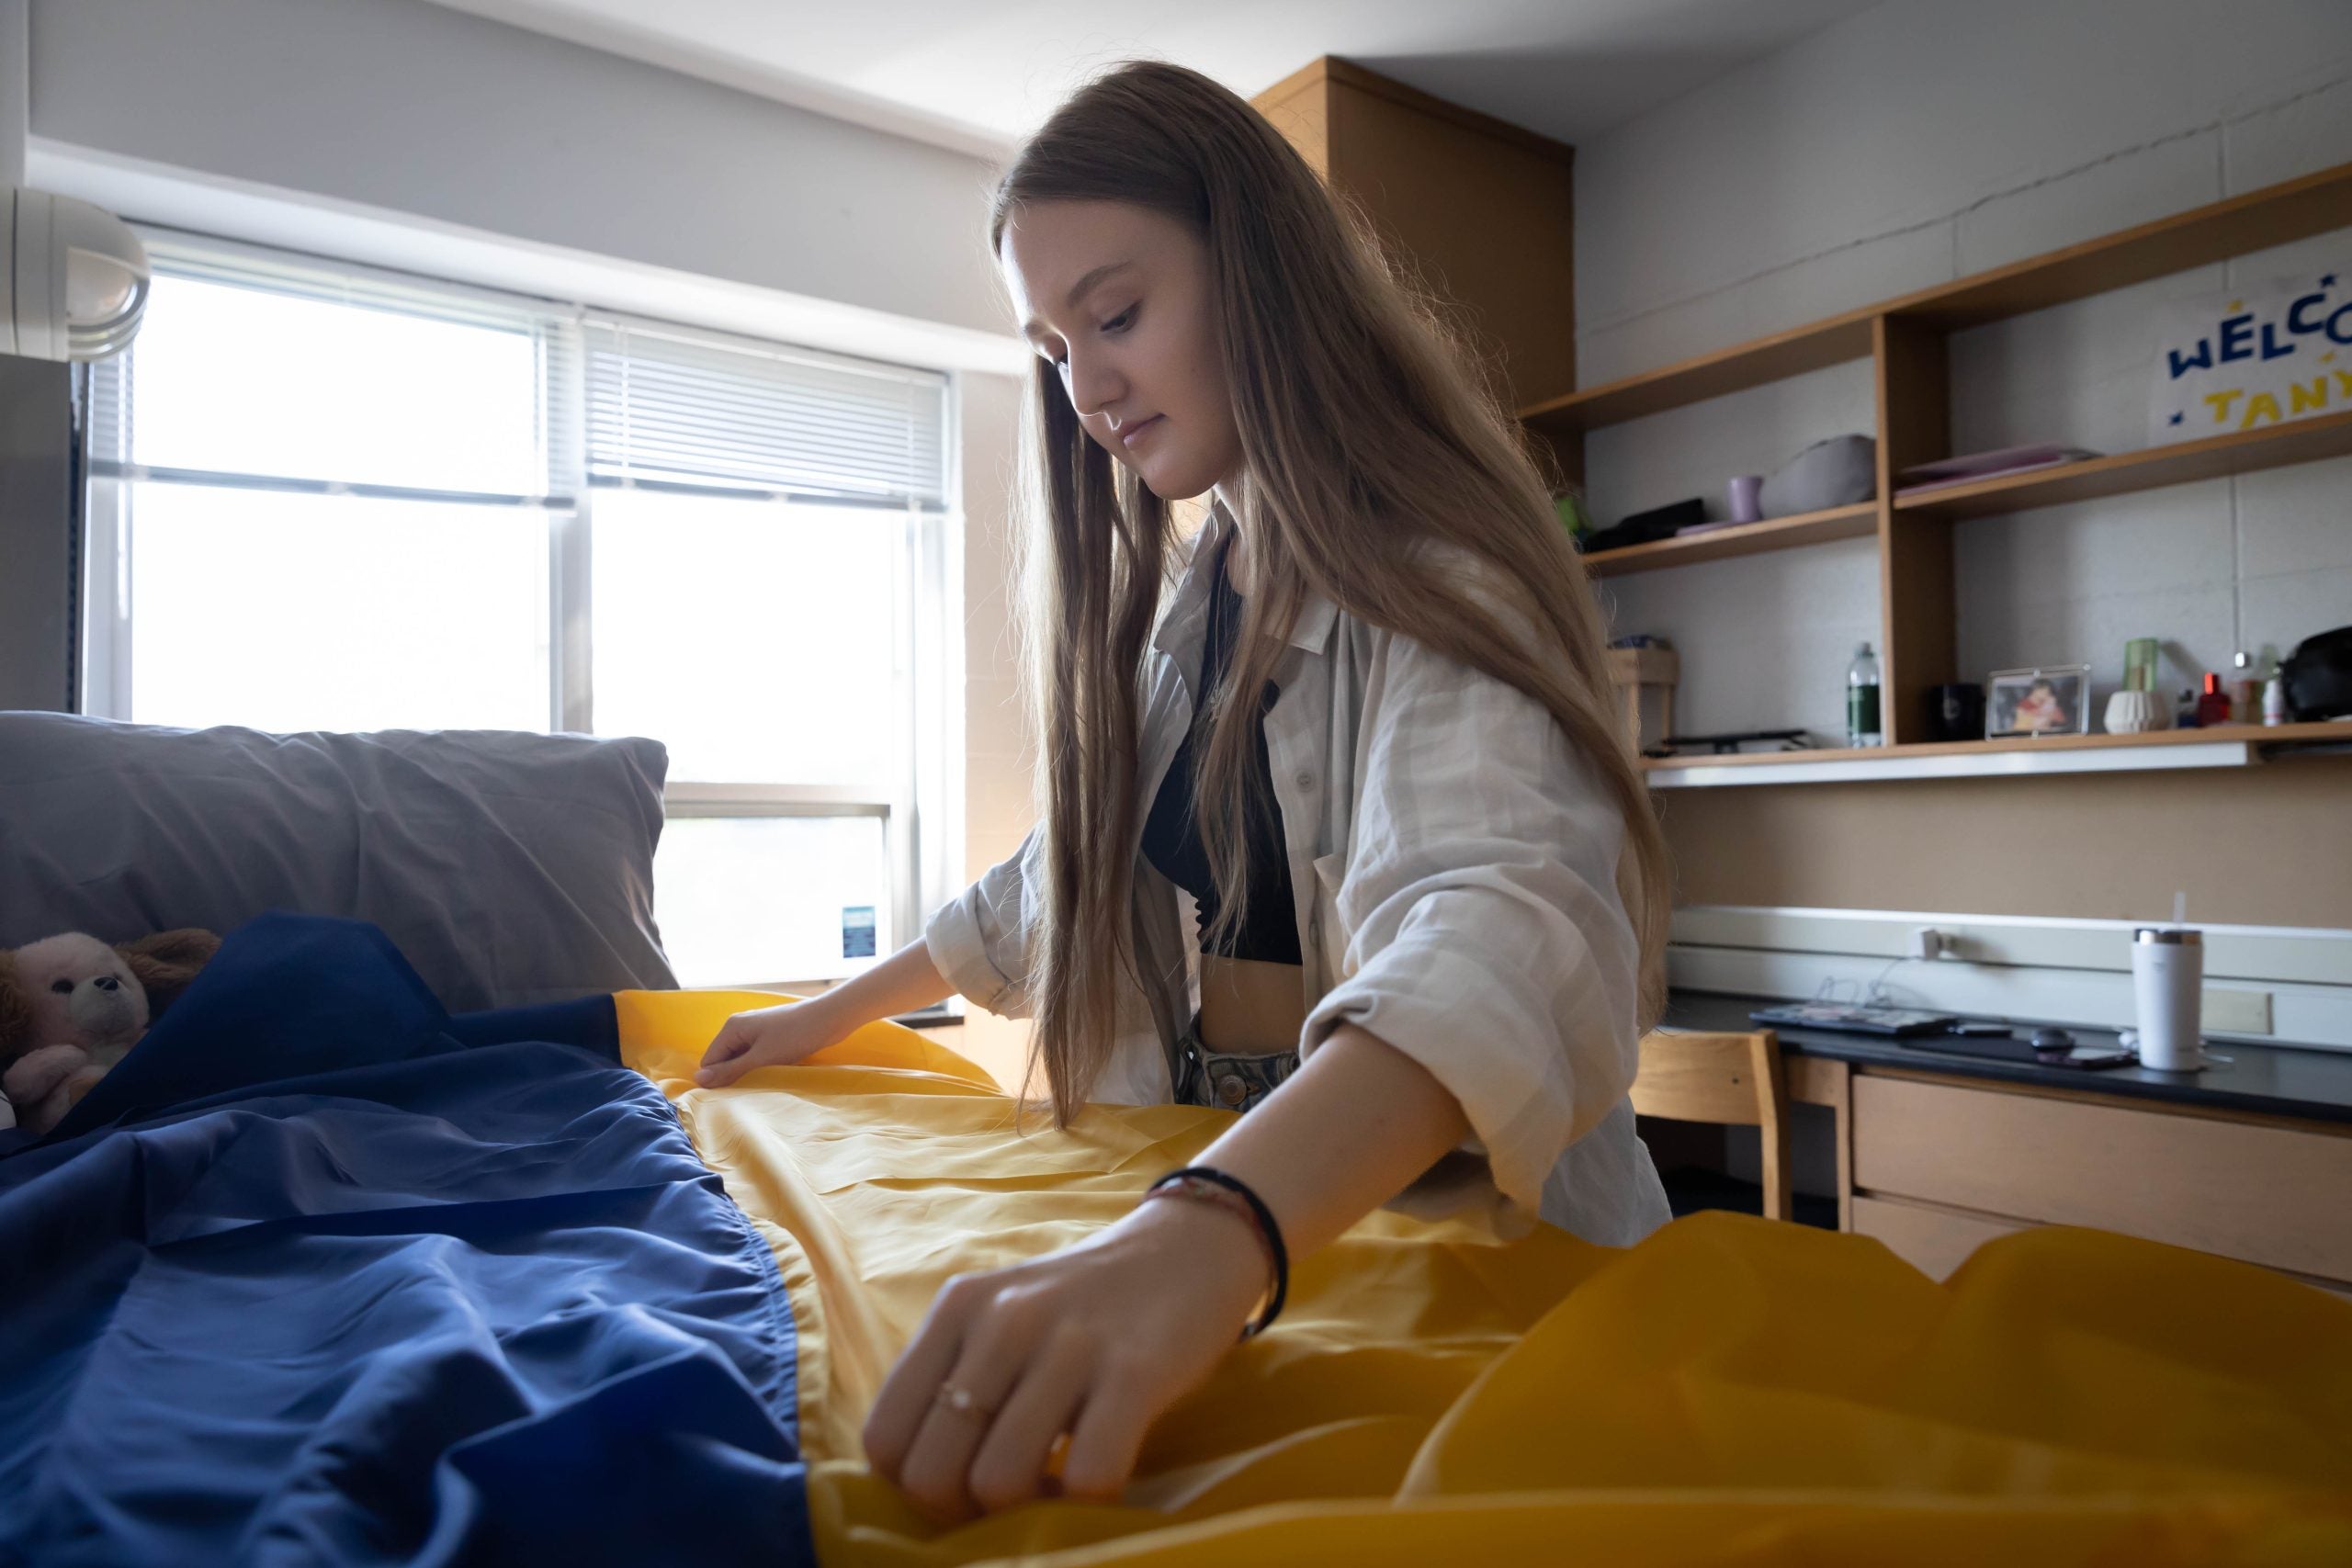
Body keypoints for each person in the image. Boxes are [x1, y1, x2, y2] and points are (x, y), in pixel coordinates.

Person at [695, 59, 1675, 1523]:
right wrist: (827, 1013)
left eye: (1117, 314)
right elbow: (1056, 886)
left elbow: (1491, 929)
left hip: (1490, 1300)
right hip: (1280, 1273)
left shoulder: (1445, 581)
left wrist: (1201, 1232)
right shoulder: (1192, 604)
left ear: (1264, 280)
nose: (1085, 386)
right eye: (1050, 345)